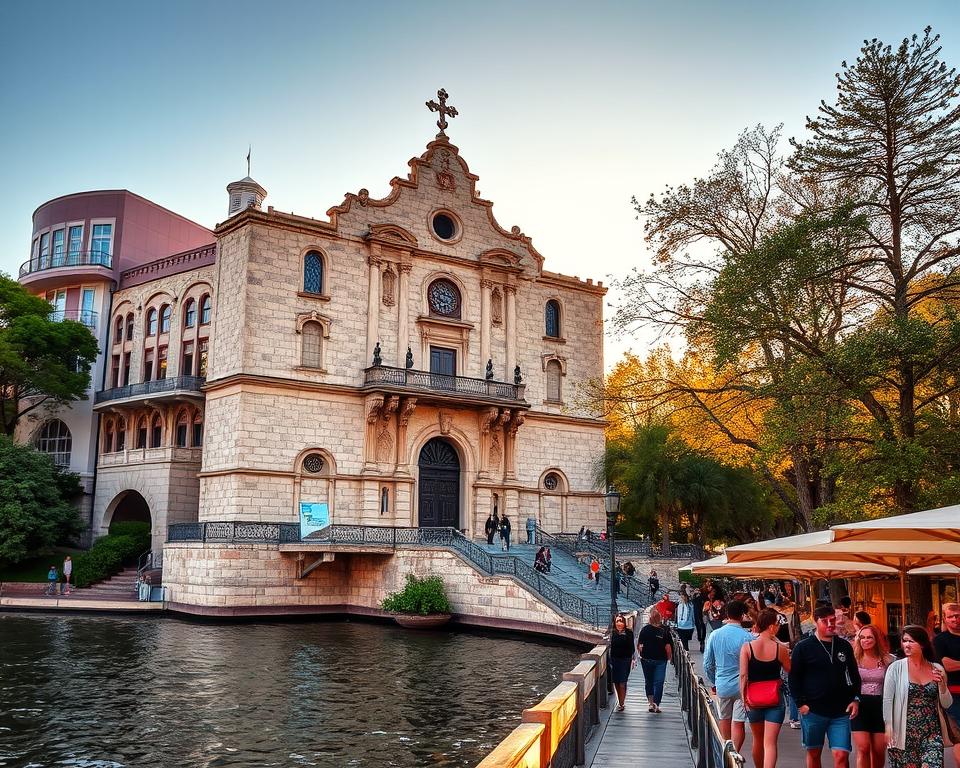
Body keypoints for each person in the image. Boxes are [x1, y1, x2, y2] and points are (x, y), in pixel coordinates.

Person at [788, 605, 861, 768]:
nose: (830, 624)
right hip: (813, 710)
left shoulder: (844, 646)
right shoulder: (803, 647)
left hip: (841, 711)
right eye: (824, 620)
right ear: (815, 621)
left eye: (832, 620)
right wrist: (800, 704)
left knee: (841, 754)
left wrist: (855, 698)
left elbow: (854, 674)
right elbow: (793, 678)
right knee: (814, 753)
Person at [884, 625, 954, 768]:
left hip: (932, 733)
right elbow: (887, 700)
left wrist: (942, 686)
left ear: (922, 644)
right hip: (903, 733)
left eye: (911, 641)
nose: (907, 645)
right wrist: (889, 726)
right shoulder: (895, 668)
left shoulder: (937, 668)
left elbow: (947, 704)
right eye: (904, 641)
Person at [740, 608, 791, 768]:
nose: (778, 627)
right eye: (777, 624)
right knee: (770, 743)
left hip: (753, 698)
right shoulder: (780, 649)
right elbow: (790, 669)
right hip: (774, 698)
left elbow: (743, 676)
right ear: (770, 627)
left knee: (757, 739)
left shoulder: (747, 647)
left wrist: (743, 698)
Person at [704, 599, 754, 750]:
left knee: (724, 718)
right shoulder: (748, 637)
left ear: (726, 613)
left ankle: (726, 748)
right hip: (742, 686)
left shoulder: (715, 635)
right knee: (739, 722)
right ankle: (736, 754)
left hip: (723, 684)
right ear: (742, 615)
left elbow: (707, 664)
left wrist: (715, 681)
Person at [851, 624, 894, 768]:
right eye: (862, 637)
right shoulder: (853, 659)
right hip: (859, 704)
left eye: (869, 637)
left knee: (878, 750)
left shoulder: (888, 660)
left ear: (876, 639)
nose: (865, 640)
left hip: (881, 705)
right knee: (863, 747)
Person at [934, 601, 960, 766]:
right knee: (958, 735)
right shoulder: (940, 640)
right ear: (945, 618)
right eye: (951, 617)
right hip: (953, 695)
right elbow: (947, 665)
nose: (955, 619)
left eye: (958, 616)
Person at [637, 607, 673, 713]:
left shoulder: (645, 629)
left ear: (650, 618)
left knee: (649, 681)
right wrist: (670, 658)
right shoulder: (665, 630)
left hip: (647, 659)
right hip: (661, 660)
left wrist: (641, 655)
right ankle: (656, 704)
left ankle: (651, 703)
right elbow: (668, 647)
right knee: (659, 682)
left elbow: (640, 645)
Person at [610, 613, 637, 711]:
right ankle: (620, 700)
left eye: (621, 621)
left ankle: (621, 703)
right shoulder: (612, 633)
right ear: (615, 623)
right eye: (617, 621)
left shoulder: (629, 632)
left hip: (625, 660)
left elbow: (632, 647)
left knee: (622, 682)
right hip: (615, 660)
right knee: (616, 682)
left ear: (624, 623)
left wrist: (633, 659)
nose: (619, 623)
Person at [693, 585, 708, 650]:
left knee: (700, 629)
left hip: (699, 616)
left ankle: (701, 641)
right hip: (701, 616)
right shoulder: (705, 599)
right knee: (703, 629)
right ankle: (702, 641)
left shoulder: (697, 599)